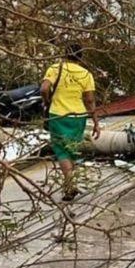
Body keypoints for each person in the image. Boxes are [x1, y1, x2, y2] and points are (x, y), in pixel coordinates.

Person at [40, 44, 100, 202]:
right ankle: (70, 182)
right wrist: (95, 122)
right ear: (81, 57)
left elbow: (44, 88)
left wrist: (47, 102)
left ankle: (70, 185)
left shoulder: (55, 68)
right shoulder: (86, 74)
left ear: (65, 54)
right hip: (78, 116)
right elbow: (89, 100)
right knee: (71, 149)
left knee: (61, 151)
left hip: (58, 115)